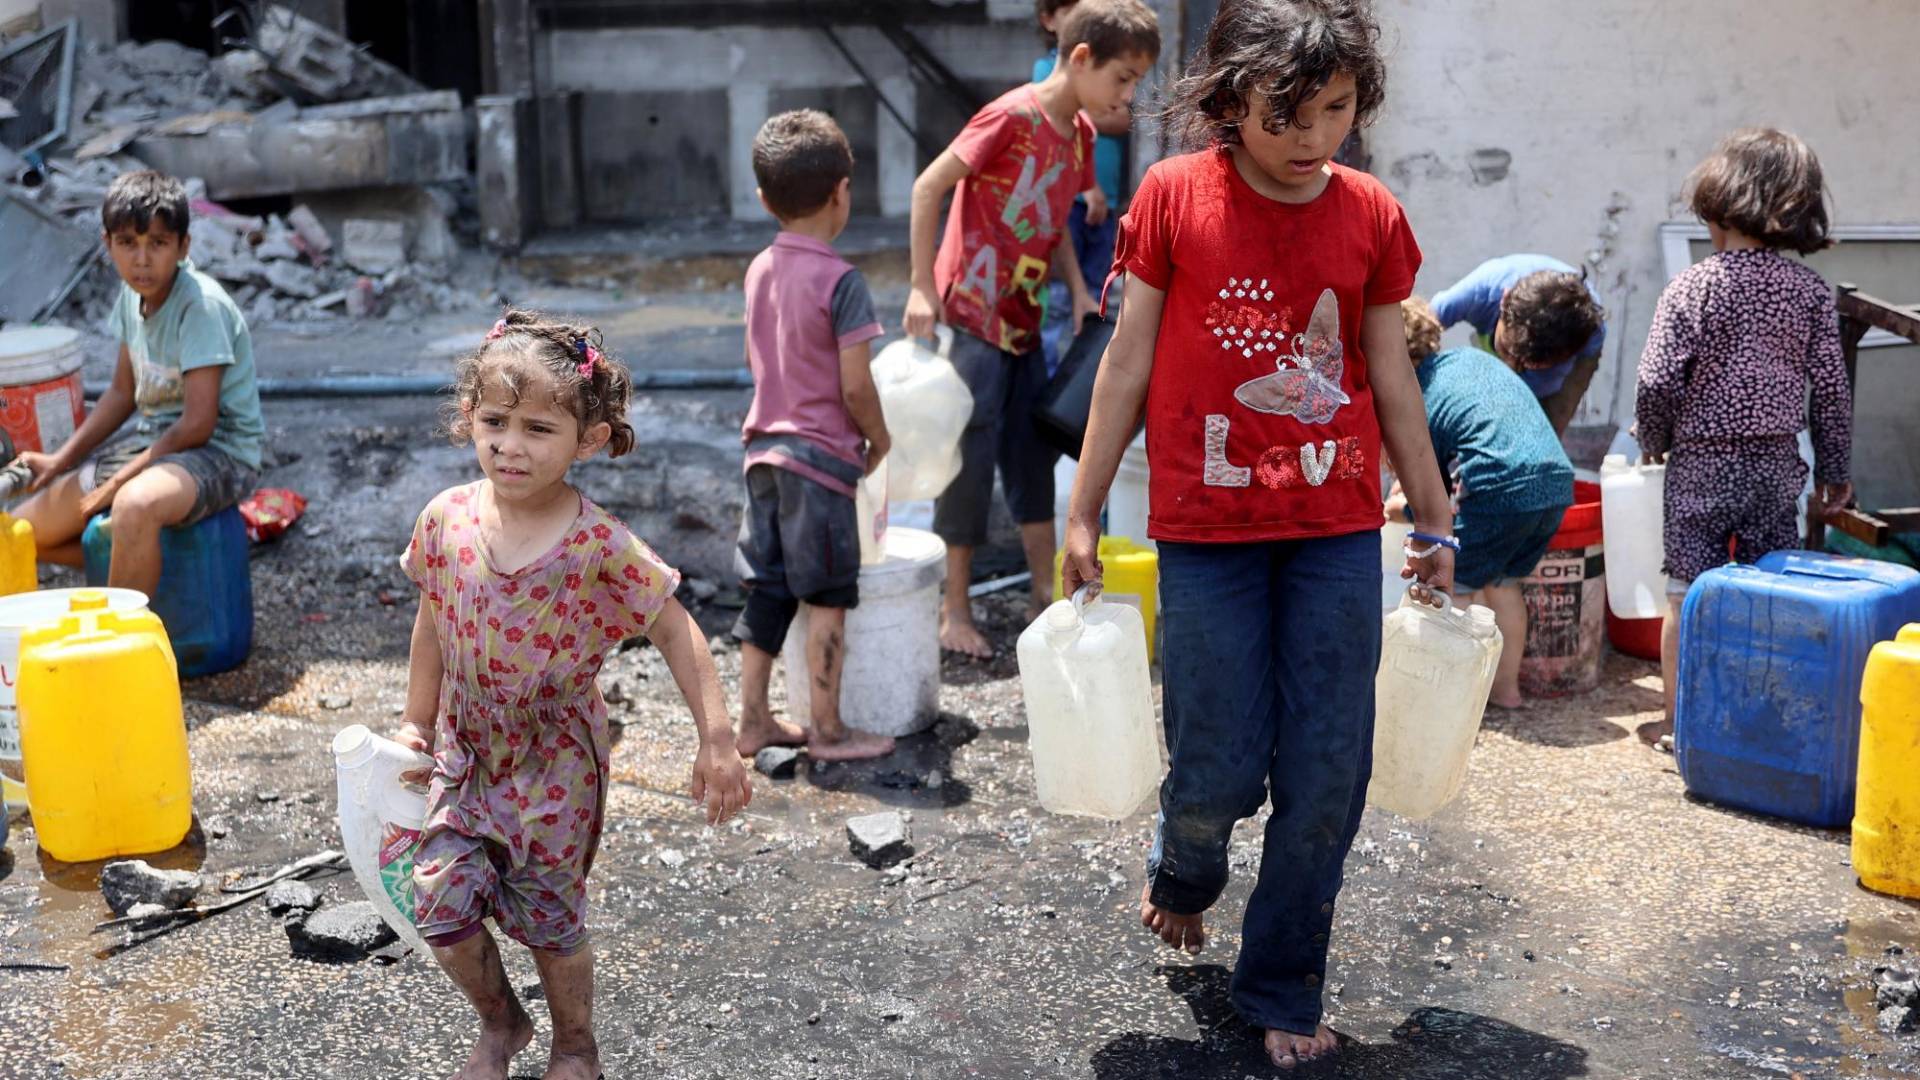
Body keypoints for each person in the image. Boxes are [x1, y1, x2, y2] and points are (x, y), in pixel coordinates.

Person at [1060, 1, 1454, 1069]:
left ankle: (1281, 983)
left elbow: (1388, 375)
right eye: (1286, 115)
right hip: (1205, 531)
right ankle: (1187, 871)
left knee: (1330, 765)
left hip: (1331, 526)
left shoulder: (1370, 212)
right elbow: (1128, 362)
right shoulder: (1174, 195)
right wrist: (1086, 508)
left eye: (1334, 111)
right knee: (1219, 756)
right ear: (1229, 103)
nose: (1312, 137)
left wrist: (1432, 508)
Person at [394, 311, 752, 1080]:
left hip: (555, 762)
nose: (510, 445)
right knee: (441, 908)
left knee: (552, 922)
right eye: (494, 421)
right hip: (465, 749)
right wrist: (414, 724)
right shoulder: (446, 519)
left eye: (537, 428)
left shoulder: (598, 544)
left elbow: (677, 630)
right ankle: (501, 1022)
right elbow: (432, 616)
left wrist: (717, 739)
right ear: (469, 419)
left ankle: (575, 1044)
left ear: (587, 440)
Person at [904, 0, 1160, 657]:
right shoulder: (1009, 116)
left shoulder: (1078, 136)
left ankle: (1047, 600)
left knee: (1033, 455)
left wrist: (1076, 290)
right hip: (971, 316)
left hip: (1025, 320)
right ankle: (953, 611)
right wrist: (921, 287)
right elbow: (929, 187)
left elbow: (1055, 221)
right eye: (1123, 78)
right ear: (1080, 59)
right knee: (969, 458)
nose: (1127, 94)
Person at [1636, 127, 1852, 726]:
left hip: (1700, 462)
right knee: (1771, 592)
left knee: (1686, 591)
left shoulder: (1691, 287)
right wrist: (1836, 474)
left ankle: (1683, 723)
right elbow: (1831, 393)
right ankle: (1761, 718)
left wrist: (1654, 441)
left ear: (1718, 206)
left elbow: (1656, 382)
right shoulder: (1808, 292)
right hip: (1776, 464)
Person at [731, 109, 897, 763]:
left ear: (764, 199)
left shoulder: (759, 269)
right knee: (828, 593)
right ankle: (828, 731)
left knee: (767, 588)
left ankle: (752, 721)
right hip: (820, 462)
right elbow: (856, 386)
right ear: (842, 192)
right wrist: (878, 440)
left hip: (761, 453)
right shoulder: (842, 281)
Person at [13, 170, 264, 594]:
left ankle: (123, 640)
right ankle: (141, 576)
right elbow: (121, 393)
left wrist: (115, 484)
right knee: (25, 530)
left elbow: (198, 424)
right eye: (128, 243)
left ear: (183, 246)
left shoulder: (200, 306)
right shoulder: (132, 298)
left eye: (158, 243)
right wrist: (61, 459)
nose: (142, 259)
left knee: (134, 504)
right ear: (108, 244)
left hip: (220, 450)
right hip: (149, 444)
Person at [1397, 297, 1573, 708]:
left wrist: (1408, 512)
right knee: (1503, 582)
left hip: (1498, 484)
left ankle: (1443, 705)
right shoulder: (1471, 360)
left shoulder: (1412, 392)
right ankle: (1506, 692)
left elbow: (1430, 485)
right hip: (1555, 480)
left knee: (1451, 585)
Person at [1033, 0, 1136, 371]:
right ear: (1048, 20)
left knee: (1096, 298)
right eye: (1069, 9)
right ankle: (1047, 378)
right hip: (1073, 203)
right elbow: (1072, 117)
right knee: (1059, 298)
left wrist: (1094, 109)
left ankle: (1076, 386)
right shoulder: (1047, 71)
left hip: (1103, 204)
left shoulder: (1101, 81)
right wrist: (1083, 185)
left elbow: (1123, 120)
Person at [1429, 254, 1606, 436]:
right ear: (1503, 301)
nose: (1509, 368)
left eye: (1525, 365)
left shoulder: (1590, 335)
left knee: (1542, 435)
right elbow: (1418, 331)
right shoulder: (1480, 291)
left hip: (1568, 353)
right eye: (1506, 350)